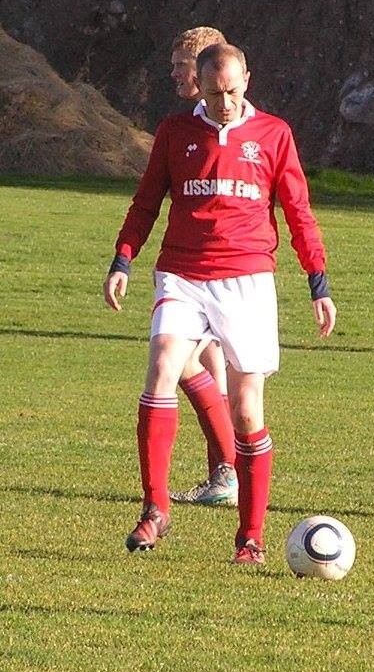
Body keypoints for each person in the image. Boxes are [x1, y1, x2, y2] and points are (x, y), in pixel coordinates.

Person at [104, 43, 337, 564]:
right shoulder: (174, 132)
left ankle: (250, 538)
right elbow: (146, 202)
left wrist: (317, 281)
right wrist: (123, 259)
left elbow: (298, 211)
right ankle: (155, 508)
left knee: (247, 409)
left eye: (231, 91)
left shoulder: (274, 134)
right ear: (199, 88)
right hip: (182, 272)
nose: (224, 103)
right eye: (213, 94)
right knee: (163, 367)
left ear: (246, 80)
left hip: (248, 279)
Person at [165, 25, 239, 507]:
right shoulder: (188, 124)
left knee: (194, 364)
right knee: (205, 366)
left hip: (220, 269)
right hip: (195, 268)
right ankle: (225, 472)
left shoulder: (231, 128)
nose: (174, 74)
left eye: (180, 66)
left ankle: (228, 469)